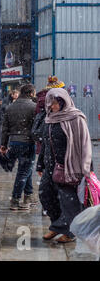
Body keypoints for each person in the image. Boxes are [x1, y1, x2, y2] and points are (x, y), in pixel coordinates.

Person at [36, 88, 93, 243]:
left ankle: (69, 231)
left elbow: (84, 144)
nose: (53, 107)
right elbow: (46, 143)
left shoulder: (75, 118)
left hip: (69, 167)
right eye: (51, 104)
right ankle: (57, 225)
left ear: (63, 102)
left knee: (68, 201)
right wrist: (40, 164)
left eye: (55, 104)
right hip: (50, 167)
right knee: (45, 196)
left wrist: (87, 168)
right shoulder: (49, 119)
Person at [0, 84, 37, 211]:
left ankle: (28, 195)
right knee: (24, 171)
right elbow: (36, 128)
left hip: (14, 143)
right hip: (27, 143)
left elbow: (5, 128)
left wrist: (3, 145)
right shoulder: (33, 107)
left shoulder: (11, 107)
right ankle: (15, 200)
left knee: (27, 169)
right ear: (31, 93)